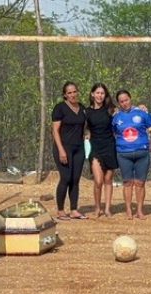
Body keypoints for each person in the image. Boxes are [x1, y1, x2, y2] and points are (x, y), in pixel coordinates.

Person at [112, 89, 151, 220]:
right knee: (127, 183)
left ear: (130, 98)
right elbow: (111, 134)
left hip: (142, 153)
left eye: (126, 100)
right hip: (124, 154)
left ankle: (140, 210)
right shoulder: (116, 118)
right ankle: (128, 210)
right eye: (121, 101)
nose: (124, 103)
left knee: (140, 183)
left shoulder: (142, 113)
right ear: (118, 103)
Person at [51, 82, 87, 221]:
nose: (72, 94)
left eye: (74, 92)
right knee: (65, 178)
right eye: (69, 92)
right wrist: (61, 150)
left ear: (78, 92)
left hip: (79, 148)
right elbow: (55, 130)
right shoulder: (60, 108)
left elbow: (87, 125)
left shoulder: (82, 108)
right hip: (63, 147)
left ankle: (74, 209)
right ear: (65, 95)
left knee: (75, 179)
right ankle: (60, 210)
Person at [85, 83, 118, 218]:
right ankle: (97, 207)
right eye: (97, 93)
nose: (100, 95)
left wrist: (140, 107)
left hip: (109, 146)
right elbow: (83, 127)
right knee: (98, 181)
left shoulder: (111, 110)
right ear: (92, 94)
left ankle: (107, 209)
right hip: (95, 147)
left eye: (102, 93)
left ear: (105, 95)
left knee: (108, 179)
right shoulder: (86, 111)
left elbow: (127, 110)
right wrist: (86, 133)